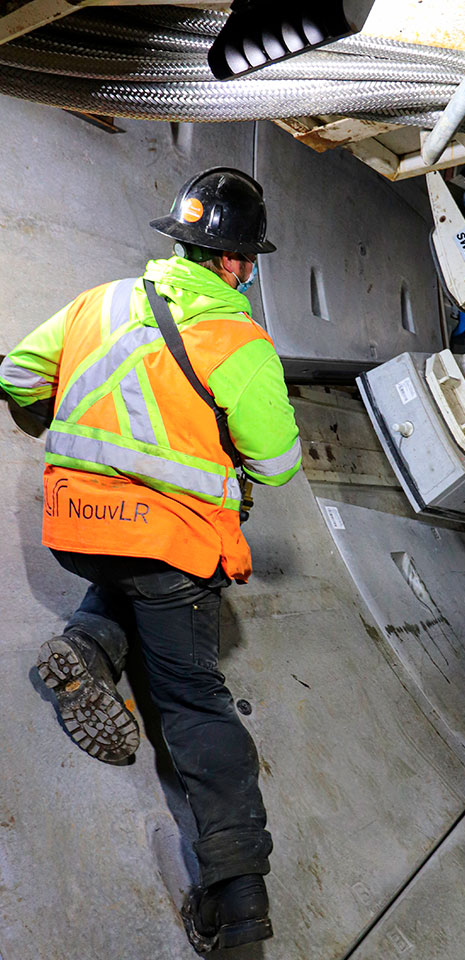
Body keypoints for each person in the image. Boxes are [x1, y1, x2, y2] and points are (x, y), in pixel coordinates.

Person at [0, 167, 302, 954]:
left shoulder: (98, 300)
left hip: (74, 531)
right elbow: (275, 465)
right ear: (235, 263)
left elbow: (17, 376)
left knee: (127, 584)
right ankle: (238, 908)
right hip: (166, 552)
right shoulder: (242, 342)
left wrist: (59, 417)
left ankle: (91, 642)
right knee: (197, 706)